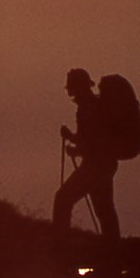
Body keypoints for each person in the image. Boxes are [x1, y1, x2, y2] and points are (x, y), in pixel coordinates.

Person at [53, 67, 120, 242]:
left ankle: (60, 243)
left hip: (95, 167)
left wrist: (70, 138)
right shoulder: (95, 105)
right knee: (104, 208)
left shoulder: (88, 108)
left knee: (63, 199)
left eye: (71, 87)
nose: (69, 92)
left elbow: (90, 141)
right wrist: (76, 148)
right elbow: (93, 143)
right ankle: (112, 248)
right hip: (105, 164)